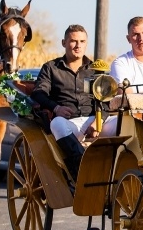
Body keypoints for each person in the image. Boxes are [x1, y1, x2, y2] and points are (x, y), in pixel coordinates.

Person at [31, 24, 117, 182]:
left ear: (86, 43)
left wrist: (100, 121)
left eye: (82, 41)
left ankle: (121, 170)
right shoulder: (51, 68)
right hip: (69, 125)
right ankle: (82, 165)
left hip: (94, 122)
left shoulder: (95, 70)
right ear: (64, 43)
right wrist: (56, 107)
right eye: (73, 41)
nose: (78, 45)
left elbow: (106, 102)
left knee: (122, 122)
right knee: (56, 124)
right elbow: (38, 93)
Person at [109, 16, 143, 93]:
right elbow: (127, 95)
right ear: (128, 39)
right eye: (136, 34)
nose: (141, 38)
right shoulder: (121, 63)